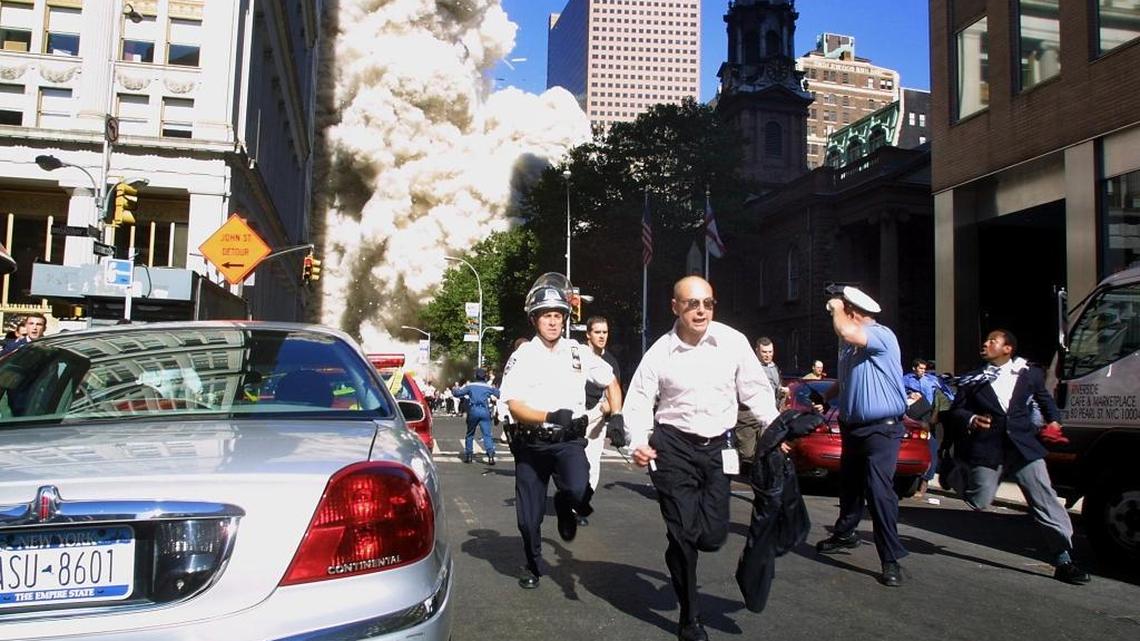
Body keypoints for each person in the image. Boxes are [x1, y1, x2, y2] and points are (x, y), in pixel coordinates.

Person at [622, 276, 778, 641]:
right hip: (672, 448)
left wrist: (776, 429)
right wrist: (638, 443)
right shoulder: (660, 352)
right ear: (675, 307)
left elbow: (756, 390)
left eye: (707, 303)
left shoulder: (732, 342)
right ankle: (690, 618)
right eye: (692, 303)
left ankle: (689, 549)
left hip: (719, 450)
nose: (701, 310)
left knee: (711, 536)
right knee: (684, 536)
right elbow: (640, 399)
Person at [498, 273, 623, 590]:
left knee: (580, 490)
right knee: (528, 519)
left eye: (558, 315)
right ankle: (532, 562)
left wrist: (617, 414)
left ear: (565, 318)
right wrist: (549, 415)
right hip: (532, 443)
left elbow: (610, 381)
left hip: (568, 441)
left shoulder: (579, 352)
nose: (553, 322)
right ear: (535, 319)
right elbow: (513, 404)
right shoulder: (522, 356)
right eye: (546, 316)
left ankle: (567, 505)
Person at [944, 329, 1091, 585]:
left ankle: (1064, 560)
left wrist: (1055, 422)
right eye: (986, 340)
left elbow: (1045, 400)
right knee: (979, 500)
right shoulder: (972, 379)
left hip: (1024, 448)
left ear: (1007, 348)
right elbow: (956, 410)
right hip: (989, 448)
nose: (986, 343)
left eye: (993, 341)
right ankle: (952, 473)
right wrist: (970, 418)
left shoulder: (1030, 373)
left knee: (1045, 500)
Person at [813, 286, 910, 588]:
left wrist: (835, 306)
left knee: (879, 492)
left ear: (852, 311)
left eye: (843, 309)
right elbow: (846, 380)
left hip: (882, 428)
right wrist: (827, 398)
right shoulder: (849, 347)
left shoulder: (880, 334)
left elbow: (846, 329)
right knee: (850, 486)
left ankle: (890, 558)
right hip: (852, 427)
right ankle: (845, 533)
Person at [577, 315, 621, 525]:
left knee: (592, 463)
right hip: (575, 415)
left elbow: (616, 391)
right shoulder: (577, 355)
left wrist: (613, 415)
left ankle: (582, 507)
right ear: (588, 334)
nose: (602, 336)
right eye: (597, 332)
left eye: (605, 332)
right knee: (573, 462)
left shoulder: (611, 361)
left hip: (597, 417)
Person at [452, 368, 501, 465]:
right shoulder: (488, 386)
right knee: (487, 434)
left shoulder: (470, 386)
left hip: (473, 410)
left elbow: (458, 394)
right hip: (484, 410)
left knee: (470, 433)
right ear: (485, 377)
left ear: (476, 376)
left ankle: (469, 455)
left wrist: (454, 389)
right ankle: (490, 455)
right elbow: (498, 394)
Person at [754, 337, 789, 407]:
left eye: (770, 352)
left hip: (774, 409)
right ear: (757, 351)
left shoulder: (774, 366)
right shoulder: (751, 368)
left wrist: (782, 392)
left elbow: (777, 387)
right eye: (764, 352)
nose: (768, 355)